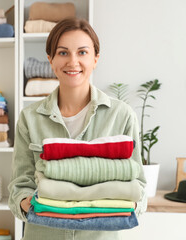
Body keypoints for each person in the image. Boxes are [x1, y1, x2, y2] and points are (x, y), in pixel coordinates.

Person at [8, 18, 147, 240]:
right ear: (50, 60)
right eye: (63, 53)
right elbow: (20, 185)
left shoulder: (121, 116)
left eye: (82, 52)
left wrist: (124, 203)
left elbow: (138, 184)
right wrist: (33, 204)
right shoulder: (30, 118)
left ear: (95, 59)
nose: (73, 61)